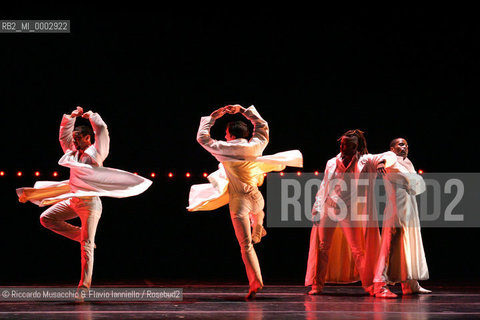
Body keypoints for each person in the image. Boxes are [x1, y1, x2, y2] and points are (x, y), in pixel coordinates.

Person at [17, 106, 152, 297]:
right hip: (73, 200)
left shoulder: (97, 153)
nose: (74, 140)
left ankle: (83, 288)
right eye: (74, 138)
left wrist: (93, 116)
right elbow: (63, 137)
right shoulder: (72, 153)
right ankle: (81, 235)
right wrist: (70, 117)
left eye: (78, 137)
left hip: (90, 205)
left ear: (87, 138)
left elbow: (102, 131)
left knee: (87, 246)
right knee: (46, 219)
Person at [188, 104, 302, 299]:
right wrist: (243, 110)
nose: (224, 137)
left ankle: (255, 282)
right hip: (257, 199)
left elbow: (202, 138)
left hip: (240, 201)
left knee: (246, 245)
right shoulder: (255, 145)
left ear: (231, 135)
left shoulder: (223, 148)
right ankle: (258, 225)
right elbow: (262, 126)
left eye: (225, 134)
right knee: (258, 214)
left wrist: (213, 116)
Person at [305, 129, 397, 295]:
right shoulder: (331, 162)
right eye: (342, 143)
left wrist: (382, 162)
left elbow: (390, 155)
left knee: (358, 250)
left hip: (351, 212)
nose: (343, 147)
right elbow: (324, 186)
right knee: (323, 247)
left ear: (357, 147)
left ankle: (369, 285)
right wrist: (317, 208)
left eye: (347, 144)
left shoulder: (366, 161)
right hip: (330, 207)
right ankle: (317, 285)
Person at [372, 138, 431, 298]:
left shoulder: (408, 162)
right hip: (395, 209)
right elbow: (382, 159)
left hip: (409, 208)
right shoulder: (390, 156)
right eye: (401, 144)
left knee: (409, 244)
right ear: (392, 148)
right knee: (390, 244)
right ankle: (380, 284)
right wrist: (380, 164)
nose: (405, 146)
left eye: (406, 144)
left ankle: (410, 284)